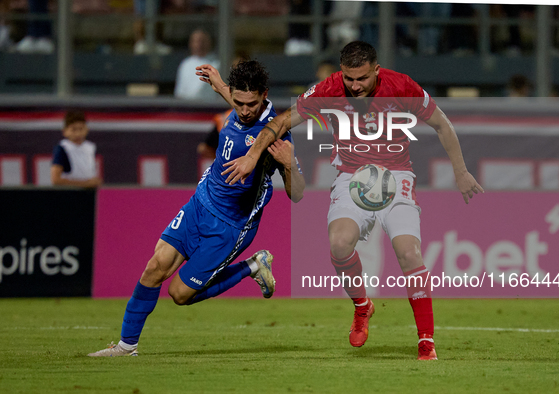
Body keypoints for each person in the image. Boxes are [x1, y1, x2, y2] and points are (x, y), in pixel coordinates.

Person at [222, 41, 484, 361]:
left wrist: (460, 172)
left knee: (408, 252)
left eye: (362, 78)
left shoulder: (402, 86)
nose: (355, 86)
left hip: (396, 177)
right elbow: (280, 123)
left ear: (376, 70)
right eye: (349, 78)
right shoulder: (329, 89)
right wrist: (252, 154)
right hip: (350, 178)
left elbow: (442, 123)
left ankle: (426, 342)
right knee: (339, 244)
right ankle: (362, 307)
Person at [88, 60, 305, 357]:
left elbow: (298, 194)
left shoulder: (276, 135)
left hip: (230, 226)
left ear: (264, 94)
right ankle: (126, 347)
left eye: (251, 104)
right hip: (200, 204)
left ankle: (253, 266)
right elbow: (232, 95)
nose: (243, 110)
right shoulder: (241, 103)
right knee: (154, 268)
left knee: (179, 294)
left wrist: (290, 163)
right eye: (238, 102)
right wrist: (217, 82)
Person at [51, 110, 102, 188]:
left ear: (86, 129)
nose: (78, 134)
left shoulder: (90, 147)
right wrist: (86, 184)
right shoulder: (62, 149)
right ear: (65, 131)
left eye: (81, 129)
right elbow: (56, 180)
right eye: (73, 129)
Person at [174, 29, 220, 100]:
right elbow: (179, 91)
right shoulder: (185, 64)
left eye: (202, 41)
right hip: (186, 107)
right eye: (196, 41)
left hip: (210, 107)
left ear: (209, 42)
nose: (199, 45)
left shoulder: (217, 63)